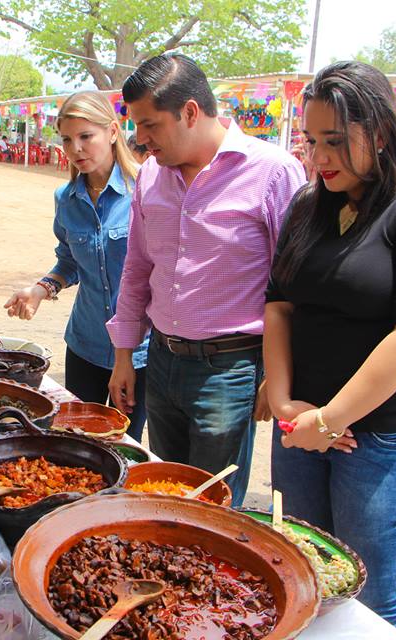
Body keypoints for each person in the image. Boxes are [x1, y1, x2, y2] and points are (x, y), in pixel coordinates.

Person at [265, 61, 396, 637]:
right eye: (311, 140)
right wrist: (283, 403)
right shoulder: (309, 204)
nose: (319, 156)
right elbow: (279, 304)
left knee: (372, 599)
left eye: (334, 141)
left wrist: (333, 419)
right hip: (299, 428)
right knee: (298, 574)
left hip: (383, 442)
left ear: (378, 132)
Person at [106, 54, 306, 504]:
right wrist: (124, 356)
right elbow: (137, 268)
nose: (141, 139)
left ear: (191, 112)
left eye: (150, 125)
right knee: (166, 489)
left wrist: (277, 376)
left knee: (212, 504)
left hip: (229, 370)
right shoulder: (151, 175)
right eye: (136, 125)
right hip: (161, 359)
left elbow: (293, 285)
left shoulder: (273, 172)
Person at [4, 92, 148, 441]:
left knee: (120, 443)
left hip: (140, 351)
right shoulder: (65, 199)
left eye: (86, 136)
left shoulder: (147, 189)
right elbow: (69, 261)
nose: (76, 148)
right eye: (68, 139)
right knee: (75, 441)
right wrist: (40, 290)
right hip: (85, 343)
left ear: (113, 132)